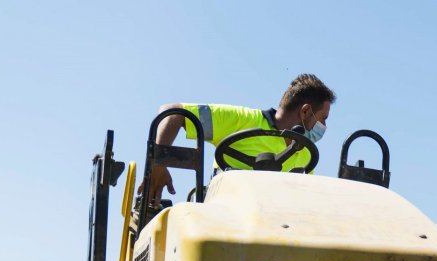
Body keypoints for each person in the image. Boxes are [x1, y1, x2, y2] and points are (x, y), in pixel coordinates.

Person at [144, 73, 336, 204]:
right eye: (323, 119)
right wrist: (158, 166)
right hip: (224, 218)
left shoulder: (304, 152)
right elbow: (173, 112)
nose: (324, 127)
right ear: (306, 111)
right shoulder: (242, 120)